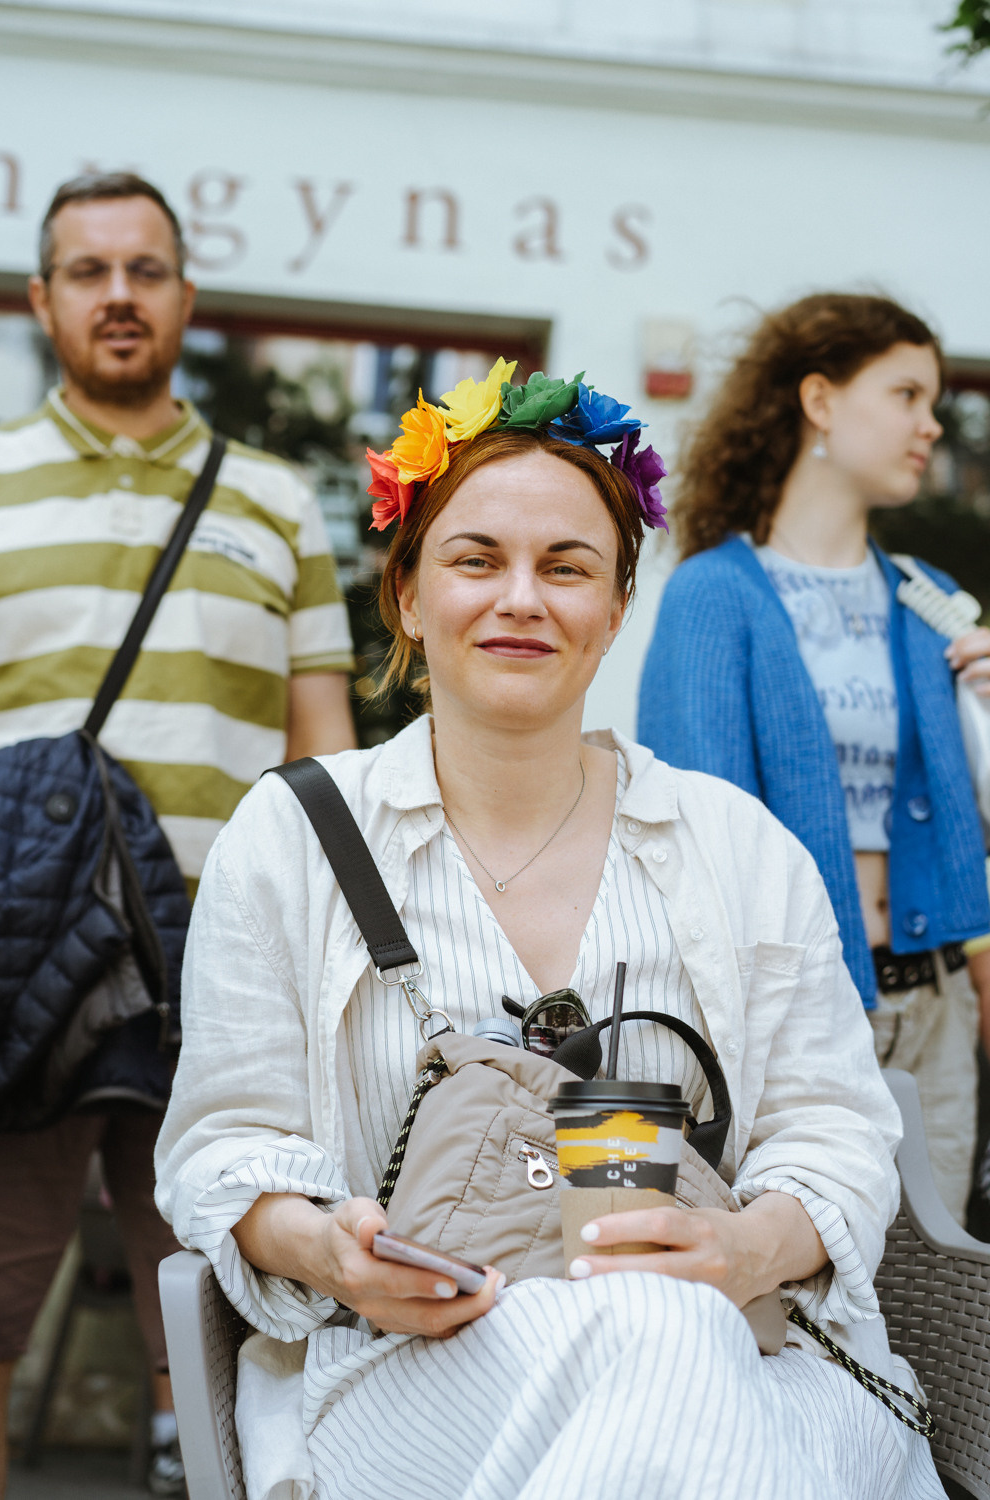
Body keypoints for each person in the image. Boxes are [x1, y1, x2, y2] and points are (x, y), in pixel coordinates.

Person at [156, 361, 943, 1500]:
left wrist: (744, 1250)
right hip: (408, 1374)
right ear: (407, 596)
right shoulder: (290, 839)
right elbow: (222, 1146)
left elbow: (835, 1128)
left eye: (566, 567)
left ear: (616, 609)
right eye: (476, 559)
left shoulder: (737, 845)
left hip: (743, 1361)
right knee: (665, 1344)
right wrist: (332, 1252)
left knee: (666, 1333)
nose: (521, 598)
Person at [0, 171, 356, 1499]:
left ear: (186, 299)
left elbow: (321, 754)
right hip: (15, 969)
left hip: (221, 969)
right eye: (88, 272)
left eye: (144, 270)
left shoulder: (274, 499)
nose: (118, 295)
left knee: (227, 1314)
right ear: (43, 302)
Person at [638, 292, 990, 1225]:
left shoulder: (930, 599)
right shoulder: (715, 593)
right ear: (820, 401)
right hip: (794, 1009)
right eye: (907, 395)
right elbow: (693, 830)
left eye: (934, 402)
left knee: (938, 1282)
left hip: (937, 1005)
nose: (931, 424)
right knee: (801, 1272)